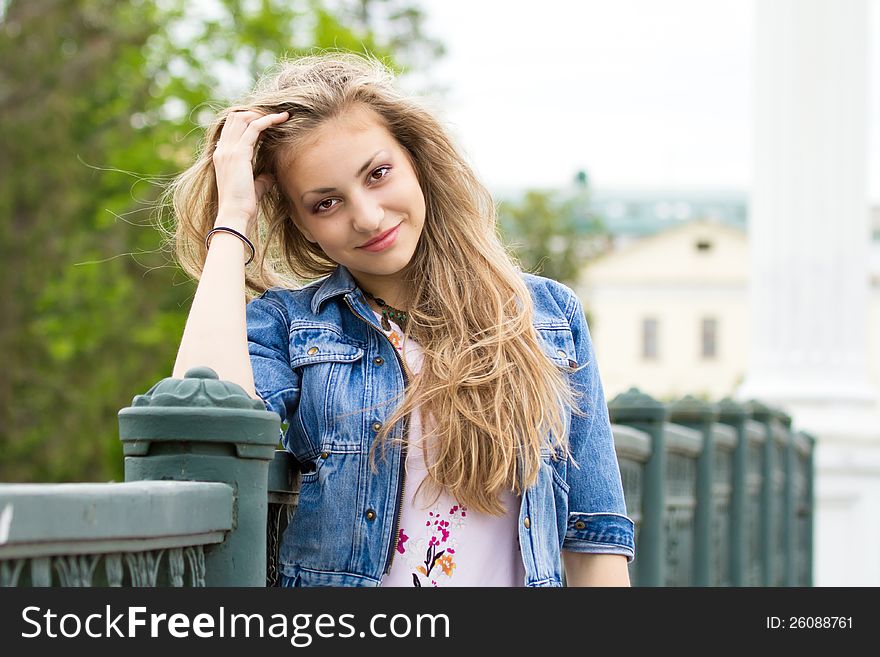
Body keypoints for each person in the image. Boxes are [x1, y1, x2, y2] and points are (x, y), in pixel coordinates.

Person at [168, 51, 634, 587]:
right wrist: (233, 218)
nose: (366, 217)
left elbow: (594, 540)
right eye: (325, 203)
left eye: (378, 174)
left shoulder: (545, 317)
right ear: (301, 225)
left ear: (417, 161)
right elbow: (197, 421)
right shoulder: (291, 328)